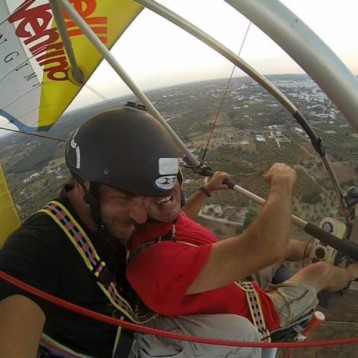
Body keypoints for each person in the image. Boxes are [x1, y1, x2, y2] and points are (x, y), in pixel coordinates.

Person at [0, 103, 262, 358]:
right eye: (124, 197)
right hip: (125, 346)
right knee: (241, 337)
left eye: (146, 200)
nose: (139, 215)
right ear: (83, 186)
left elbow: (177, 220)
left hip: (139, 322)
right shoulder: (35, 250)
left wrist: (204, 192)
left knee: (239, 328)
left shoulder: (112, 216)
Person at [127, 165, 358, 344]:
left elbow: (183, 217)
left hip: (231, 282)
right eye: (147, 192)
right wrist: (282, 182)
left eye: (166, 181)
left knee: (289, 245)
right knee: (321, 271)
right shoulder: (158, 264)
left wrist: (206, 190)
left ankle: (318, 252)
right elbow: (265, 248)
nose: (162, 193)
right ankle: (351, 273)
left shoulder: (155, 227)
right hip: (257, 313)